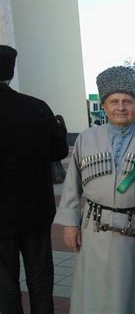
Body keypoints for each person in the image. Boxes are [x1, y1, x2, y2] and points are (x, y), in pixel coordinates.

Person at [54, 66, 135, 313]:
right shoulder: (86, 138)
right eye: (114, 101)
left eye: (127, 101)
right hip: (96, 229)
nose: (121, 107)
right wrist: (70, 224)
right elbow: (72, 185)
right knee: (97, 292)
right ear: (105, 106)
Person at [0, 45, 68, 313]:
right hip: (36, 211)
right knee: (40, 278)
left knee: (5, 282)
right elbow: (60, 151)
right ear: (11, 71)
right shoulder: (36, 107)